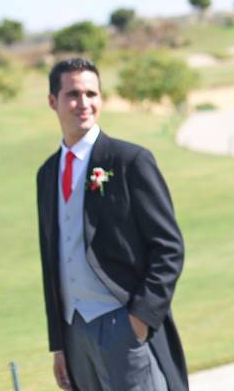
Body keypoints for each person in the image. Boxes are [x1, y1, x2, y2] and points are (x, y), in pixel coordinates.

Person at [36, 58, 188, 391]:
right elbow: (51, 263)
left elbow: (169, 248)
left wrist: (139, 320)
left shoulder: (130, 161)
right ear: (53, 101)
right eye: (73, 94)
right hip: (74, 333)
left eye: (91, 93)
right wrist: (59, 344)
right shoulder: (47, 174)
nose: (84, 103)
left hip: (124, 325)